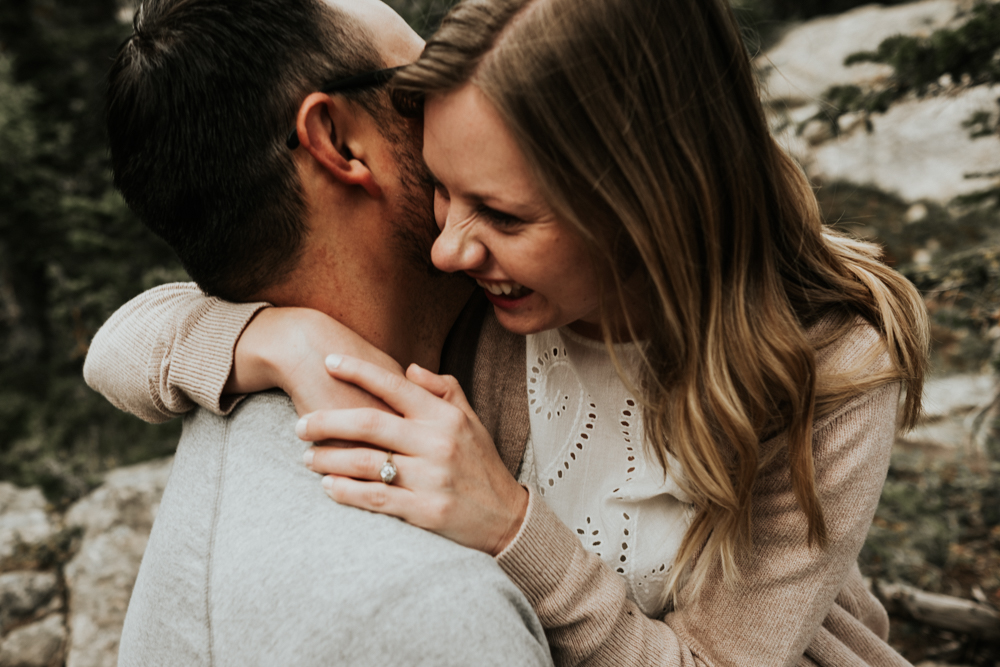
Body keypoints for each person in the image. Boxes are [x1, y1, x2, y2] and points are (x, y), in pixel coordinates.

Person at [87, 1, 930, 666]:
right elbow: (122, 344)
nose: (450, 245)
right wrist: (283, 337)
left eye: (501, 210)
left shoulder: (833, 363)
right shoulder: (499, 301)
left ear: (646, 201)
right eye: (449, 191)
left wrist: (514, 528)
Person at [90, 0, 553, 664]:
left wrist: (281, 338)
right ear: (338, 141)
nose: (468, 87)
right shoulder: (428, 610)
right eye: (424, 73)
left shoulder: (518, 301)